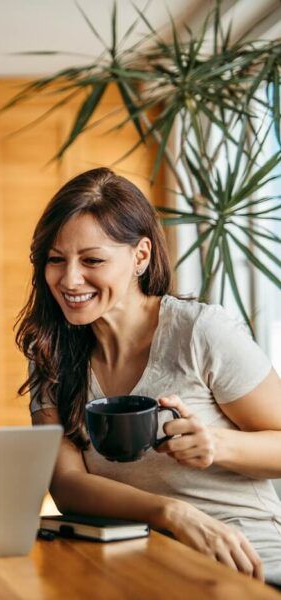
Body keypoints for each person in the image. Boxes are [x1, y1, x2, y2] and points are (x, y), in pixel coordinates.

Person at [18, 167, 281, 584]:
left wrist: (217, 444)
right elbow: (67, 487)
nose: (69, 279)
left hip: (241, 551)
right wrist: (171, 512)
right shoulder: (50, 353)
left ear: (140, 256)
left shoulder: (199, 332)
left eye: (92, 260)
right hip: (137, 553)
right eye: (55, 259)